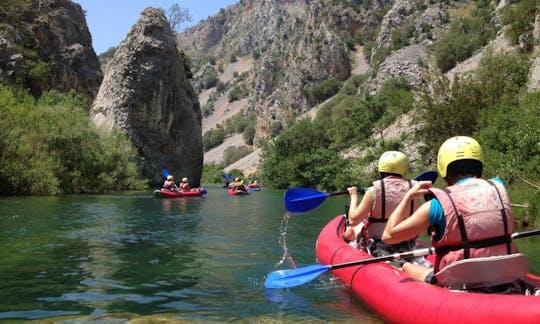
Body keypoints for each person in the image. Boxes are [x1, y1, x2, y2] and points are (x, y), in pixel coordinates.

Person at [382, 136, 520, 285]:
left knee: (408, 266)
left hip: (460, 280)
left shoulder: (437, 204)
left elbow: (389, 236)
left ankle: (404, 265)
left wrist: (408, 196)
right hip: (503, 271)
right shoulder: (499, 187)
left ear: (443, 169)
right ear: (480, 165)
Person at [344, 151, 421, 257]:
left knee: (351, 227)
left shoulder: (373, 191)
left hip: (378, 244)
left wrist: (353, 196)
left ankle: (345, 244)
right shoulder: (416, 188)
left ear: (381, 168)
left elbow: (353, 220)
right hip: (407, 243)